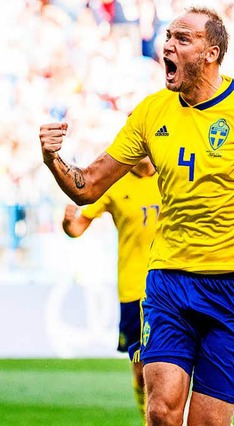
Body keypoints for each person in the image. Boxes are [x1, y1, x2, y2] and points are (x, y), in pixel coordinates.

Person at [39, 6, 234, 426]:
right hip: (169, 281)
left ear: (211, 54)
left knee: (207, 422)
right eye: (168, 36)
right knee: (161, 411)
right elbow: (87, 185)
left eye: (183, 39)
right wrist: (53, 158)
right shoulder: (151, 113)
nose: (168, 44)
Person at [61, 157, 159, 421]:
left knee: (174, 367)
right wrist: (68, 223)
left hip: (171, 287)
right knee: (141, 374)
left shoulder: (171, 176)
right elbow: (78, 228)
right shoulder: (115, 184)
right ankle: (148, 421)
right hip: (133, 290)